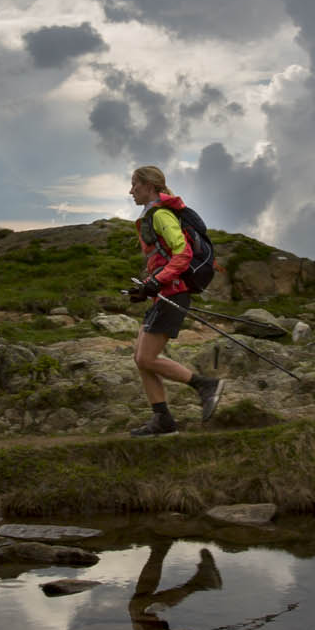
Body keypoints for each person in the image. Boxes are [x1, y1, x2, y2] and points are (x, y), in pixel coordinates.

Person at [126, 165, 223, 436]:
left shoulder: (161, 215)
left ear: (149, 186)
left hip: (173, 294)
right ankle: (163, 420)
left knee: (146, 357)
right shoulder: (152, 215)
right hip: (164, 294)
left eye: (134, 184)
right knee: (140, 358)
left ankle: (205, 385)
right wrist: (146, 287)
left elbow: (182, 254)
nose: (131, 190)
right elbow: (163, 259)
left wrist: (157, 281)